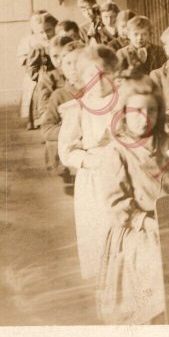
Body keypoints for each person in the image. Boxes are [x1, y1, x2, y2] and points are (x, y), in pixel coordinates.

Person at [96, 74, 169, 324]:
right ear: (123, 112)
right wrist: (148, 223)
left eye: (151, 111)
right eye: (136, 111)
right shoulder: (116, 152)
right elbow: (116, 204)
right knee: (153, 289)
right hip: (140, 230)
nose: (144, 118)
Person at [58, 45, 120, 280]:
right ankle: (106, 280)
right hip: (96, 178)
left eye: (105, 74)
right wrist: (91, 160)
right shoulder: (79, 108)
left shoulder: (125, 100)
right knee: (101, 229)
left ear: (115, 73)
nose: (99, 81)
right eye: (91, 76)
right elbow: (66, 150)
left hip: (127, 171)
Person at [17, 11, 58, 128]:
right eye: (41, 32)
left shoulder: (57, 41)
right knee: (36, 97)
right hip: (38, 75)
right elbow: (27, 61)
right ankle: (36, 120)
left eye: (49, 30)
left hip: (56, 75)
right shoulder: (31, 42)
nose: (45, 35)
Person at [39, 43, 84, 144]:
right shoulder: (59, 96)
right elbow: (47, 129)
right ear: (61, 68)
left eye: (78, 62)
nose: (73, 68)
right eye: (68, 63)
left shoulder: (98, 90)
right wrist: (74, 132)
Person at [32, 34, 73, 126]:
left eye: (64, 55)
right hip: (57, 118)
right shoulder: (48, 76)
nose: (59, 60)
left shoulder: (78, 71)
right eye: (55, 56)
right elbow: (44, 102)